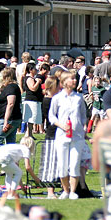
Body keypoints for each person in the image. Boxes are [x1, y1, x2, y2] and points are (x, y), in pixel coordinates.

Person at [48, 71, 87, 199]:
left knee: (75, 164)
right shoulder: (57, 98)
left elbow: (83, 115)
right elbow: (51, 116)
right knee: (62, 165)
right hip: (62, 135)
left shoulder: (79, 98)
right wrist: (60, 125)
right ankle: (65, 190)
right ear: (64, 82)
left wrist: (83, 127)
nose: (74, 81)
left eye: (75, 79)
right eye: (71, 79)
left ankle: (73, 191)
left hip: (77, 136)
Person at [39, 76, 61, 199]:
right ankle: (50, 191)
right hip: (53, 132)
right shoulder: (49, 100)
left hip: (57, 132)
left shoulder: (53, 99)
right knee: (50, 163)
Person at [0, 67, 23, 149]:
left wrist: (6, 121)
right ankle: (12, 160)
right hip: (14, 118)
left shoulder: (11, 87)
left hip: (9, 119)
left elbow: (11, 103)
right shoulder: (12, 87)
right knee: (10, 143)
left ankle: (5, 158)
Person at [22, 63, 44, 137]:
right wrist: (38, 82)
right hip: (31, 101)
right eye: (35, 69)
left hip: (35, 100)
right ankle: (28, 134)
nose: (36, 70)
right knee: (31, 119)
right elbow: (33, 88)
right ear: (31, 70)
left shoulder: (32, 78)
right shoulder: (29, 78)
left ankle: (30, 134)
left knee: (32, 120)